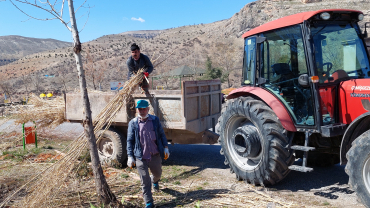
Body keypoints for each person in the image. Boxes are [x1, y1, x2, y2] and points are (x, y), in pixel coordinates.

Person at [126, 100, 170, 208]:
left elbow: (161, 134)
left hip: (155, 155)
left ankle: (154, 181)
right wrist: (130, 156)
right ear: (137, 110)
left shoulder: (155, 120)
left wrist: (166, 147)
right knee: (144, 181)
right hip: (141, 157)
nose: (141, 111)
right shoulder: (133, 123)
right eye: (139, 109)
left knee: (157, 174)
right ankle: (149, 202)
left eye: (143, 108)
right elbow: (129, 140)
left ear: (148, 109)